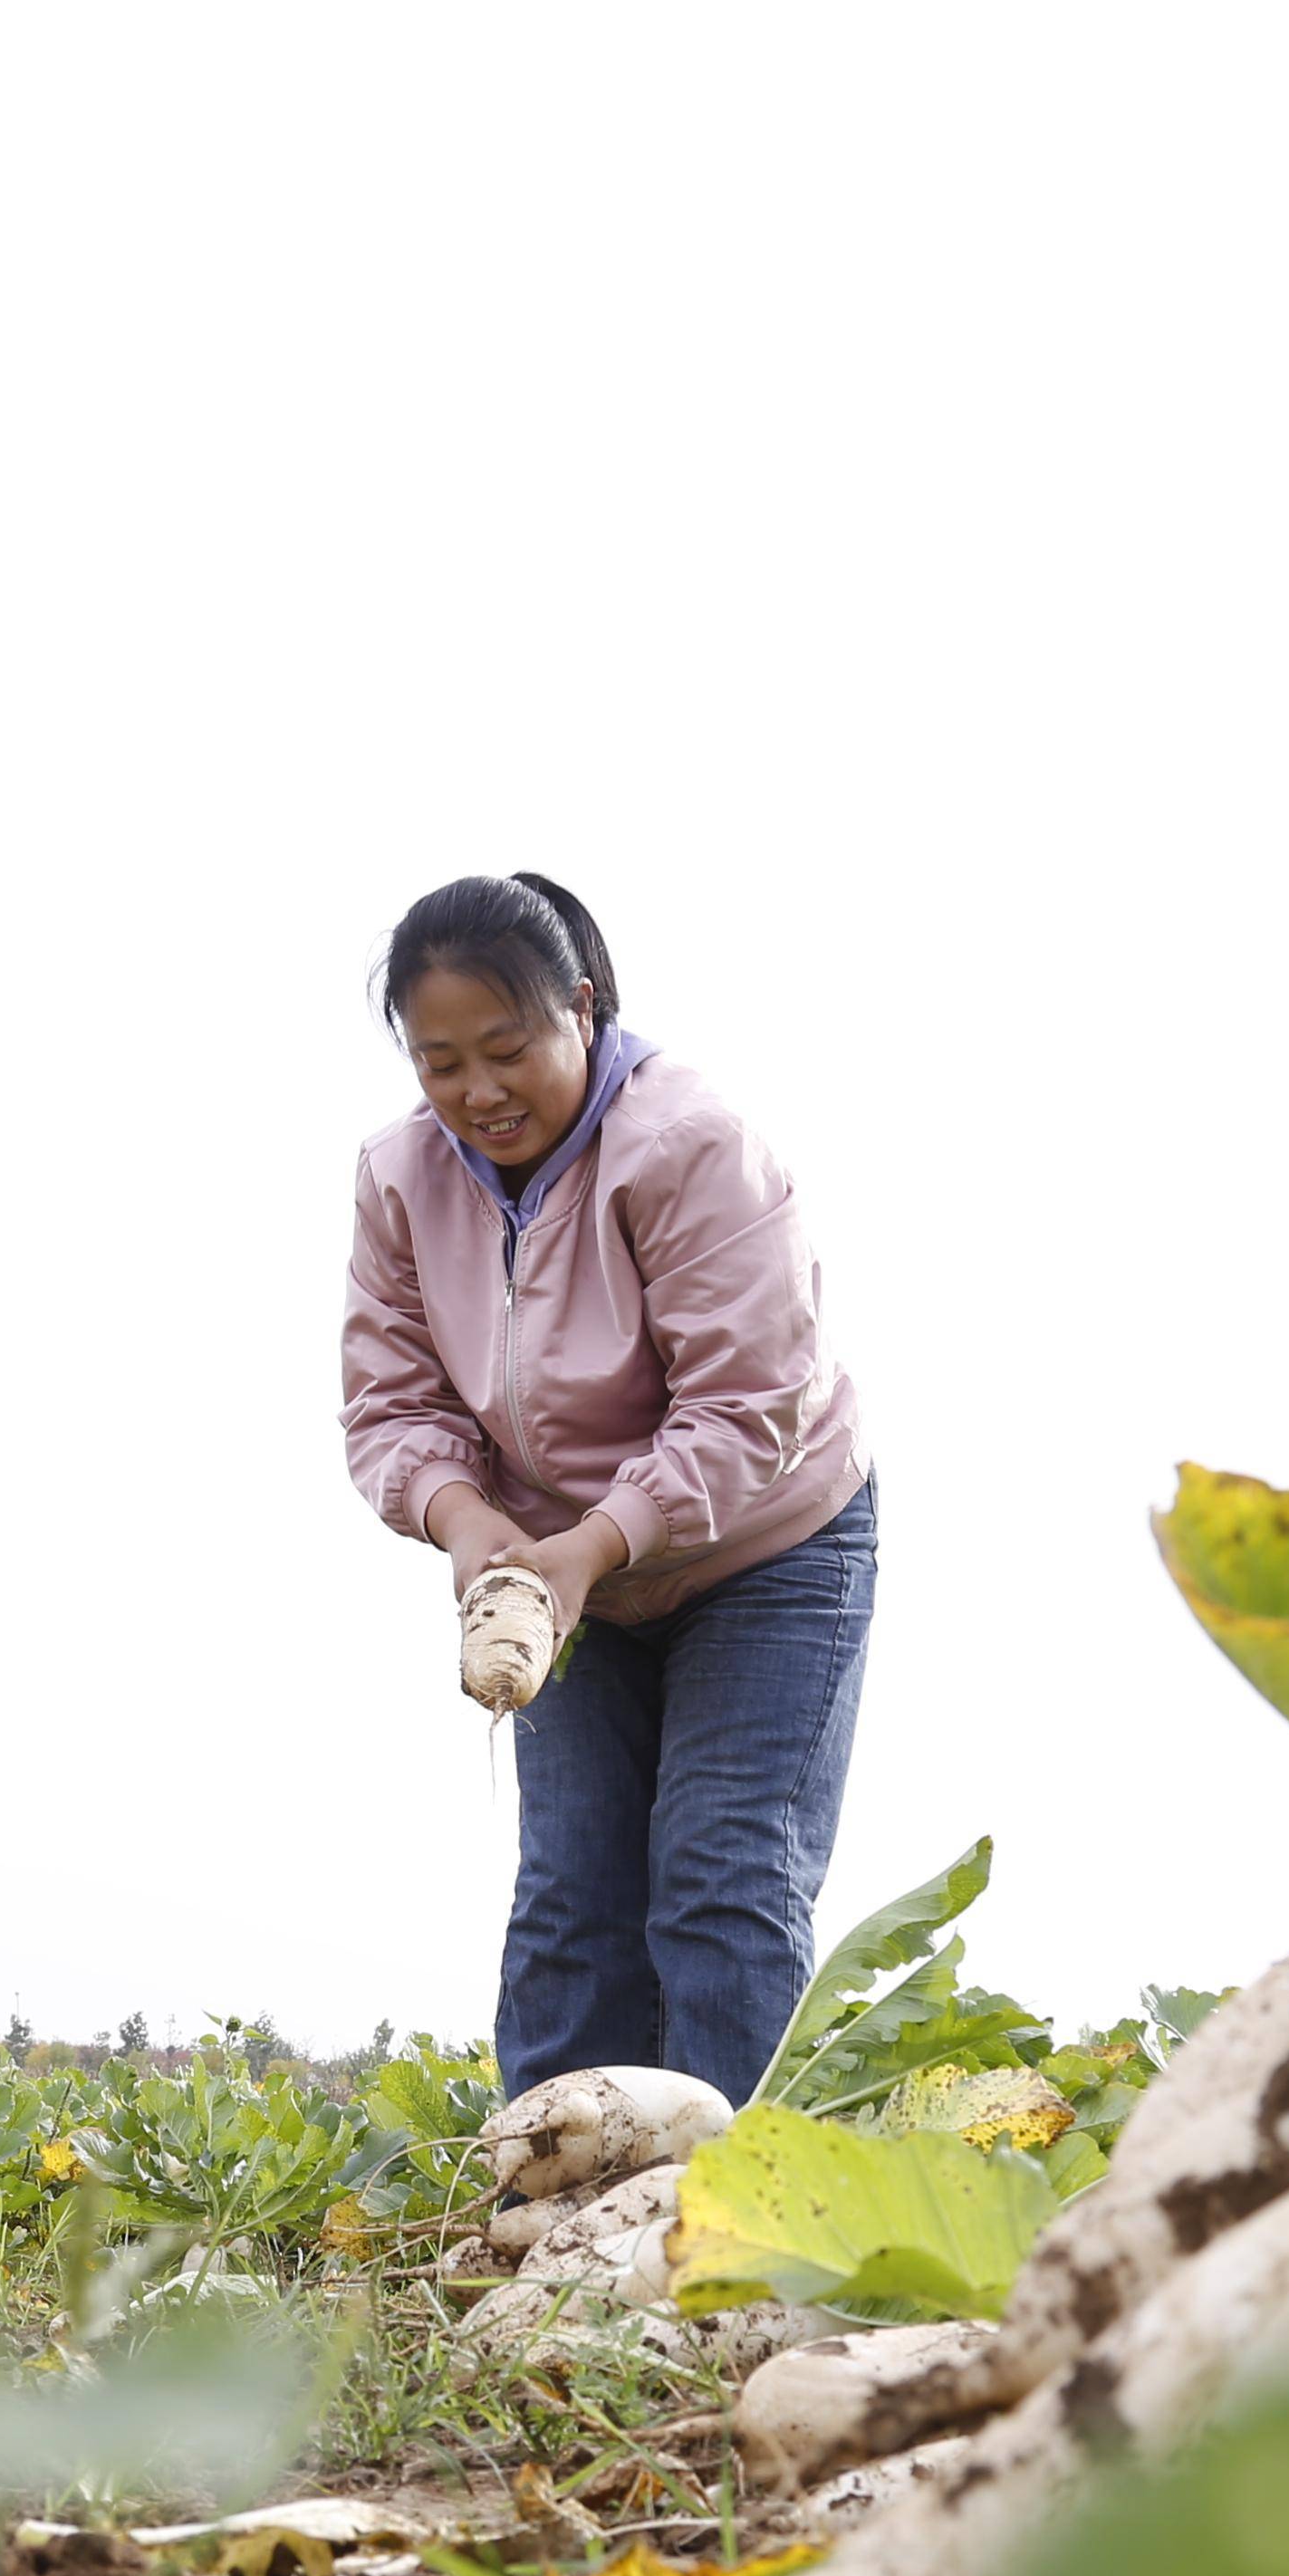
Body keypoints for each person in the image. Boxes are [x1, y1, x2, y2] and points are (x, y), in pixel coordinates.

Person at [337, 872, 877, 2099]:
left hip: (764, 1548)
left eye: (507, 1049)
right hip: (547, 1560)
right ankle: (557, 2224)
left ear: (580, 1009)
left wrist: (595, 1544)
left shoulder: (689, 1147)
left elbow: (752, 1403)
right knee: (574, 1888)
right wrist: (469, 1524)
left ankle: (736, 2235)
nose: (478, 1092)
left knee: (722, 1877)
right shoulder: (400, 1182)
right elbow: (391, 1403)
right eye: (439, 1063)